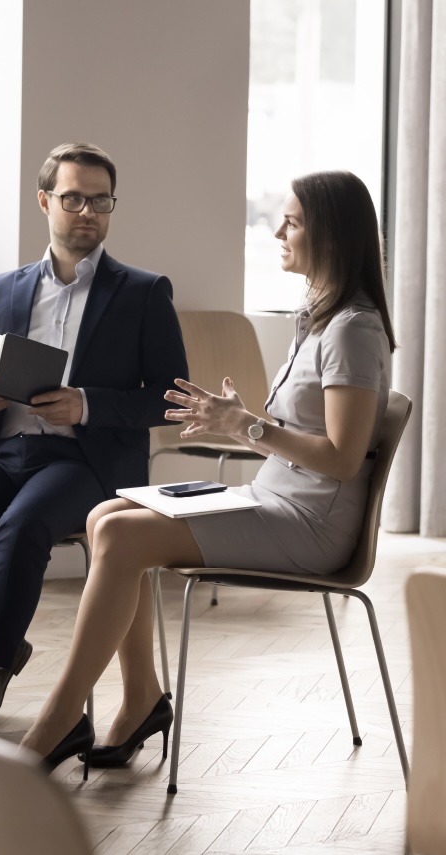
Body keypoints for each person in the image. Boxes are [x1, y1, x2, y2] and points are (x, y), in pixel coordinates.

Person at [20, 170, 397, 773]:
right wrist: (237, 422)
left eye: (293, 221)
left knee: (119, 533)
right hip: (274, 501)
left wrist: (244, 426)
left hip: (309, 529)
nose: (278, 230)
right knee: (105, 516)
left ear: (332, 235)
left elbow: (344, 459)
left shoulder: (353, 329)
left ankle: (60, 718)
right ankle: (141, 698)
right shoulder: (320, 320)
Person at [0, 143, 188, 730]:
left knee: (21, 528)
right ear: (45, 201)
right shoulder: (5, 289)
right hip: (4, 453)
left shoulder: (144, 292)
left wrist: (87, 405)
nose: (87, 212)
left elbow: (170, 399)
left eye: (100, 200)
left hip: (83, 463)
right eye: (73, 198)